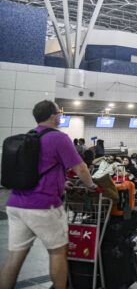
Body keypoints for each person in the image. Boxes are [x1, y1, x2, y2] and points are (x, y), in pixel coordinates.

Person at [0, 100, 97, 289]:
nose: (60, 116)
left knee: (14, 258)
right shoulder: (59, 138)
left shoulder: (30, 136)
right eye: (59, 113)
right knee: (58, 253)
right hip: (43, 206)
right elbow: (81, 168)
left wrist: (61, 182)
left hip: (16, 204)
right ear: (53, 117)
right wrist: (92, 185)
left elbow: (36, 170)